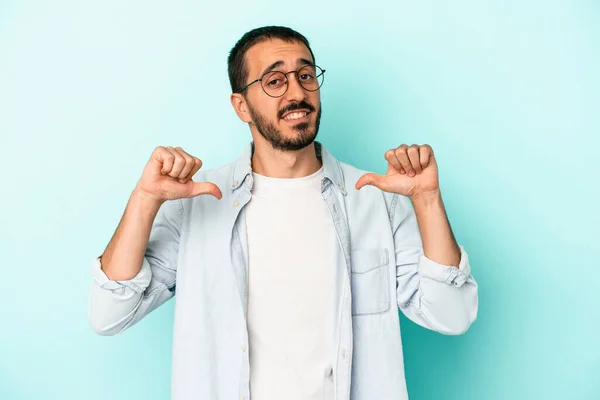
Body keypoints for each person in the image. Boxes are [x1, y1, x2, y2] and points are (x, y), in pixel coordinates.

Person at [88, 25, 478, 400]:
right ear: (241, 105)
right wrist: (144, 200)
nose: (297, 92)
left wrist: (426, 200)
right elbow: (109, 314)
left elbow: (452, 315)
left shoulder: (377, 199)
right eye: (275, 81)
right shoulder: (198, 201)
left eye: (306, 75)